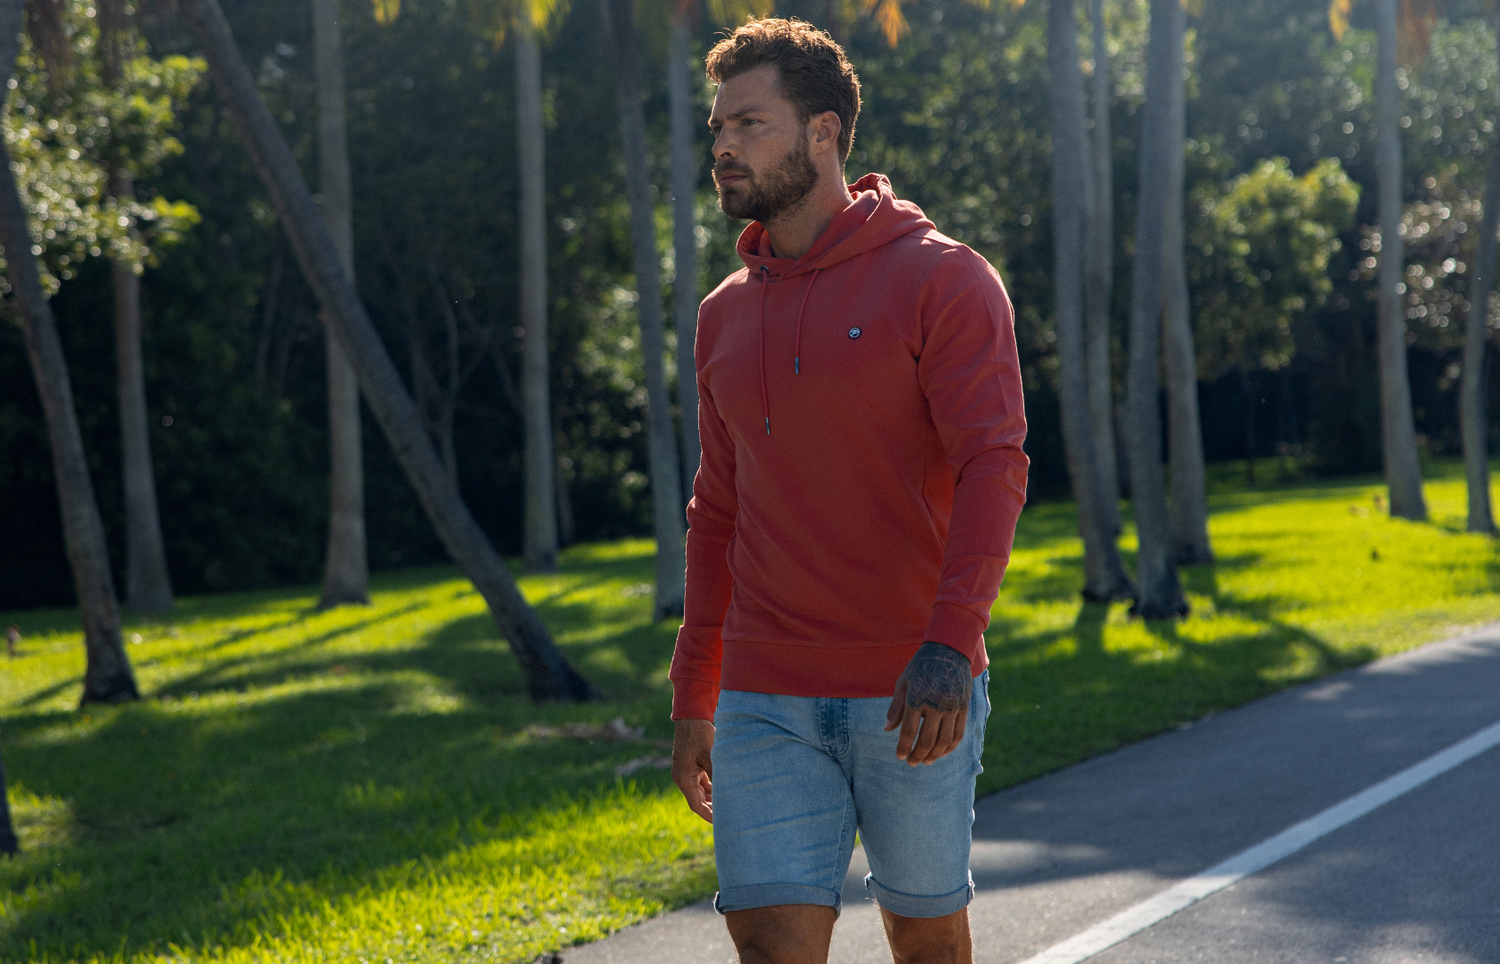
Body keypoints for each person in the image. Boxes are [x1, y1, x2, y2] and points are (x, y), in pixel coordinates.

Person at [669, 18, 1029, 964]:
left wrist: (950, 642)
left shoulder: (943, 279)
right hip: (762, 693)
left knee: (926, 941)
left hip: (911, 687)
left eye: (750, 124)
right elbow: (718, 510)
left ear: (823, 131)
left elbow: (993, 465)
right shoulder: (723, 315)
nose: (723, 146)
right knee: (772, 945)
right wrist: (695, 687)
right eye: (718, 127)